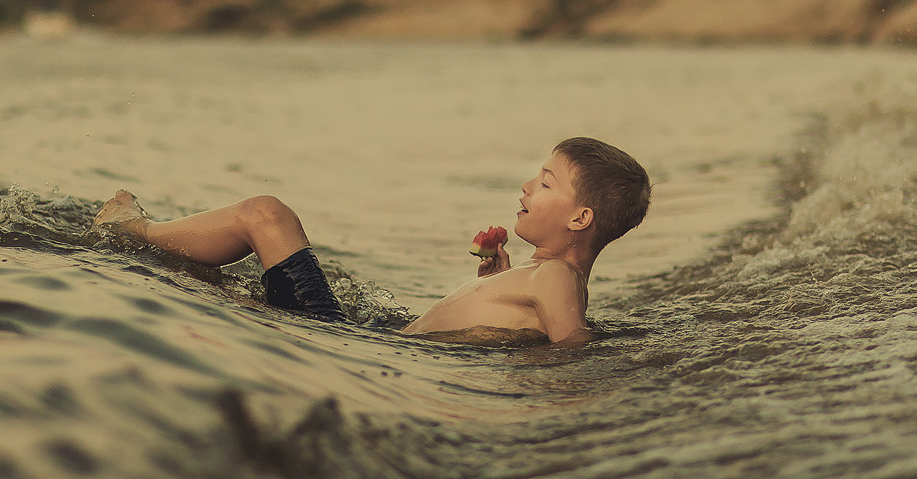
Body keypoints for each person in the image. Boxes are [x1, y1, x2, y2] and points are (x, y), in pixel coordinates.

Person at [90, 137, 651, 346]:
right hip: (366, 336)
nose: (527, 185)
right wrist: (497, 286)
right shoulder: (540, 275)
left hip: (349, 344)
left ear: (579, 219)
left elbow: (573, 342)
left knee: (266, 215)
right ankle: (152, 241)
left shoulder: (555, 278)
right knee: (251, 253)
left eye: (546, 182)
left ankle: (129, 230)